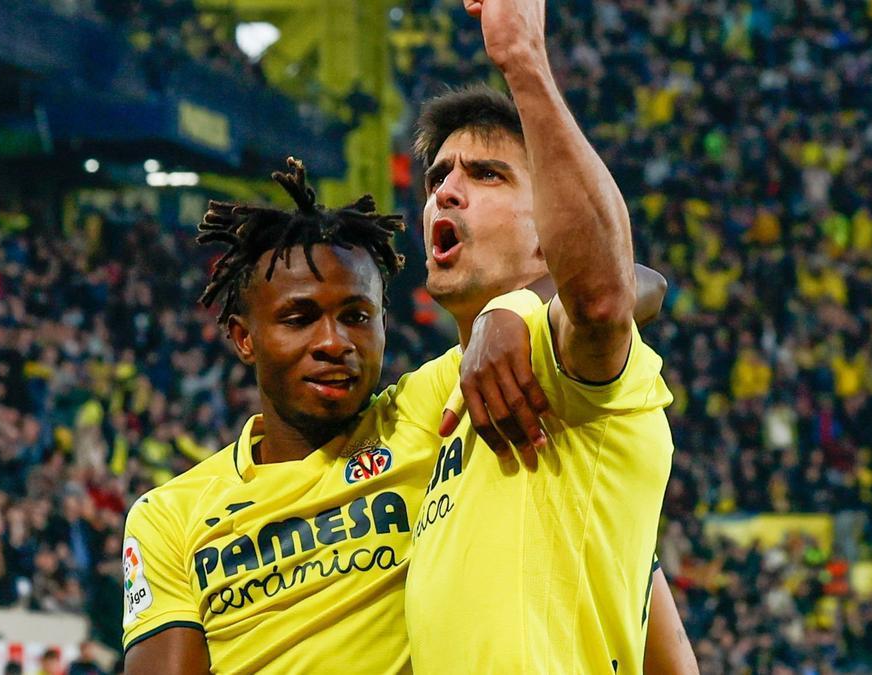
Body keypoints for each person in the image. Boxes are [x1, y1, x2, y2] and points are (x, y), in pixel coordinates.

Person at [120, 160, 668, 673]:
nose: (333, 342)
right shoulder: (170, 516)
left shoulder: (429, 413)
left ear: (384, 325)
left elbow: (630, 283)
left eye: (356, 316)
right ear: (245, 337)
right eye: (299, 317)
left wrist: (509, 310)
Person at [402, 0, 692, 673]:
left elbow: (604, 295)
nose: (446, 190)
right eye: (438, 175)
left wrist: (523, 61)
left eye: (486, 174)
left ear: (549, 227)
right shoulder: (423, 400)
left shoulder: (564, 358)